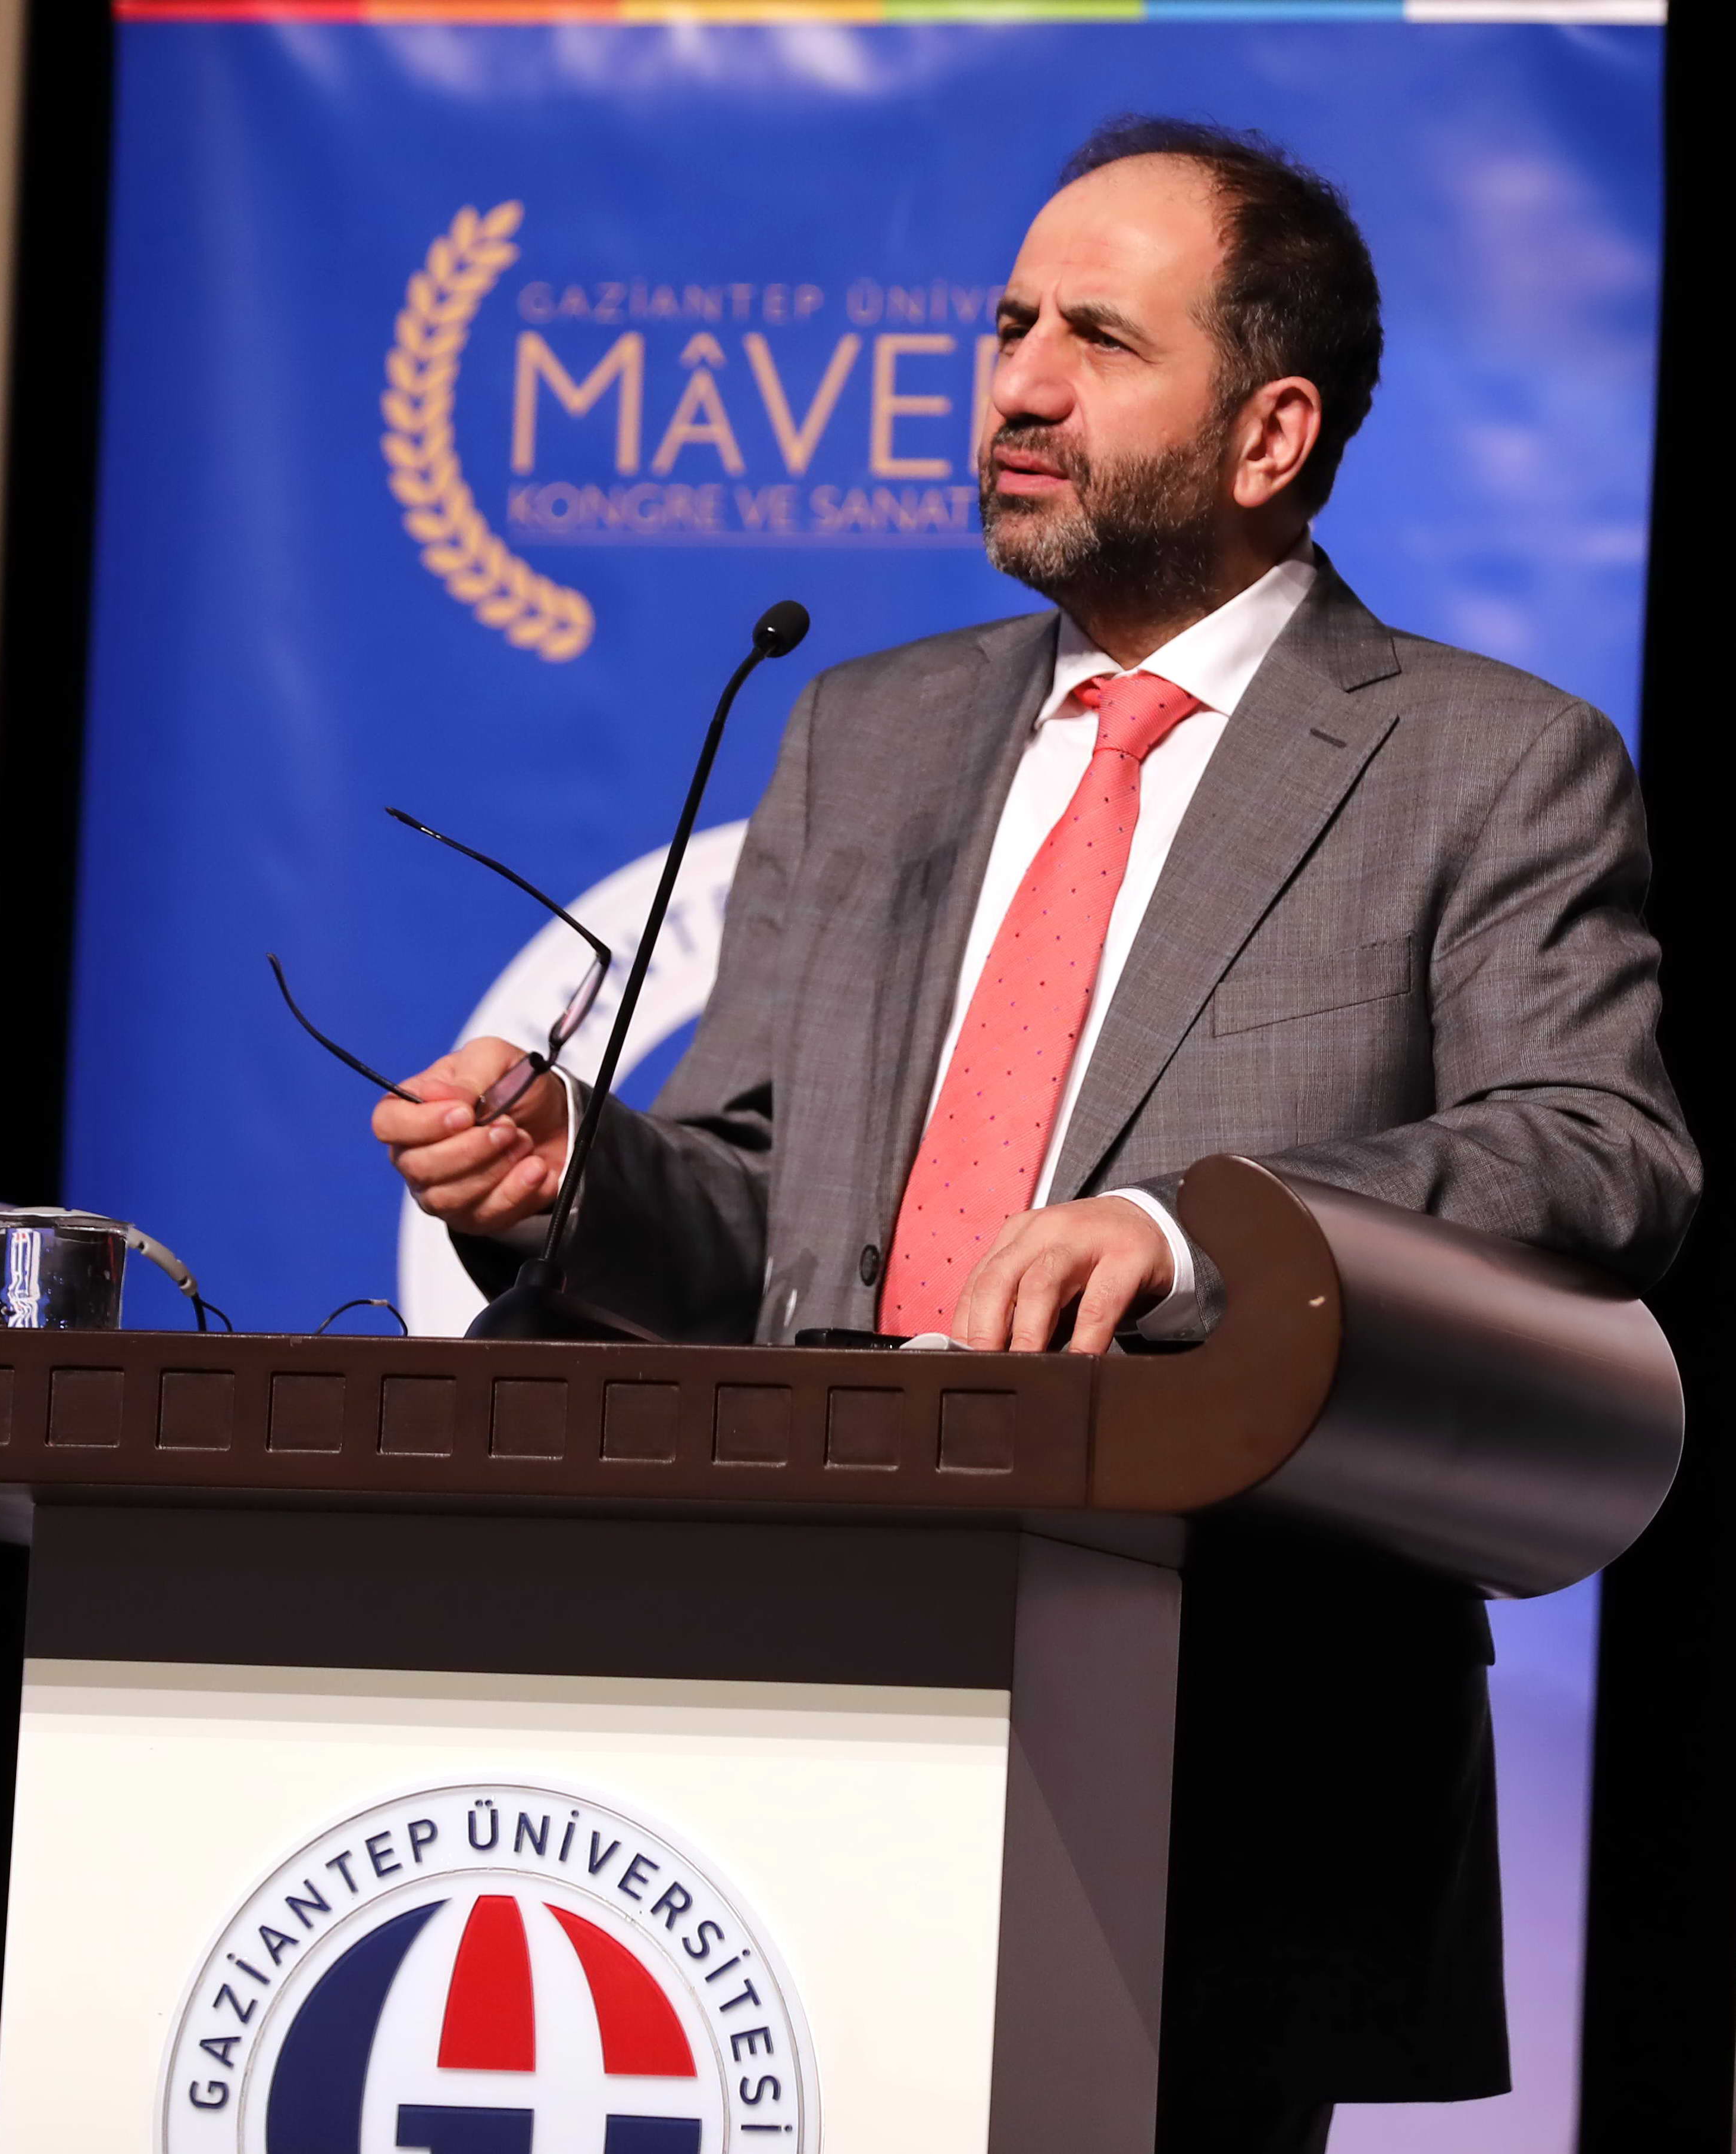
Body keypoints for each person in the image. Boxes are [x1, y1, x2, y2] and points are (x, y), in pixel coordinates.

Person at [371, 118, 1698, 2152]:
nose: (1016, 385)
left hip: (1228, 1738)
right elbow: (756, 1200)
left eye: (1096, 337)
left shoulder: (1487, 761)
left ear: (1268, 434)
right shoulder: (869, 731)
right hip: (801, 1684)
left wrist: (1188, 1232)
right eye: (1007, 326)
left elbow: (1597, 1151)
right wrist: (577, 1179)